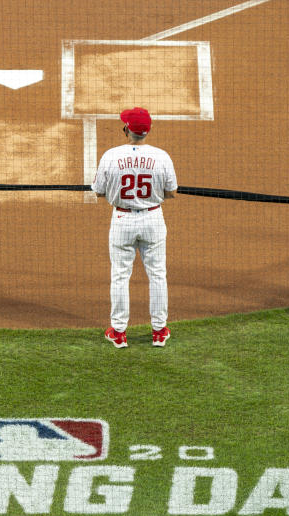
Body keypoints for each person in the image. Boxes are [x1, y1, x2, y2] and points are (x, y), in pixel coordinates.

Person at [91, 108, 178, 348]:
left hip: (122, 220)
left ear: (126, 129)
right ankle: (159, 331)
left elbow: (98, 191)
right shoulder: (162, 156)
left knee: (120, 275)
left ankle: (118, 332)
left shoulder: (111, 155)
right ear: (147, 131)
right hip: (153, 219)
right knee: (158, 274)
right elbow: (171, 193)